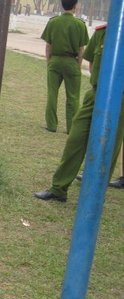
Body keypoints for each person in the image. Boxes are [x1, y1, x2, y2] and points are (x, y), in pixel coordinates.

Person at [34, 23, 124, 202]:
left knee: (109, 146)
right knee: (75, 139)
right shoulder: (103, 32)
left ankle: (95, 195)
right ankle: (59, 188)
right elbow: (91, 63)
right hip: (96, 94)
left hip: (120, 100)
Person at [41, 0, 89, 133]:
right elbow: (81, 49)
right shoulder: (80, 24)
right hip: (71, 62)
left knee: (52, 94)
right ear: (75, 6)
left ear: (62, 5)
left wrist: (49, 62)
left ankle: (51, 125)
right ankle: (71, 128)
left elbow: (48, 46)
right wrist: (78, 65)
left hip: (55, 61)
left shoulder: (53, 22)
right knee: (73, 97)